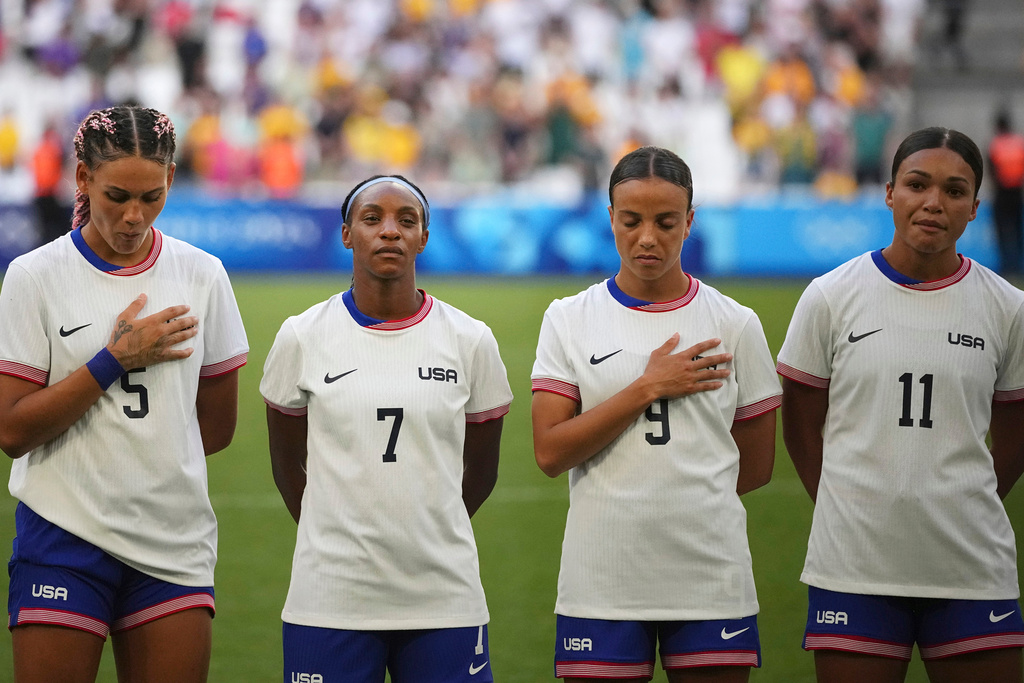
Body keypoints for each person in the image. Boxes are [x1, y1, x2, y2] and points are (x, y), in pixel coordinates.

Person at [0, 105, 249, 683]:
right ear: (82, 179)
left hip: (173, 539)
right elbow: (11, 432)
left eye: (152, 196)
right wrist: (115, 360)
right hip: (63, 535)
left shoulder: (203, 274)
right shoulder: (35, 276)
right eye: (116, 196)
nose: (135, 216)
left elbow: (216, 428)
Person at [777, 127, 1024, 683]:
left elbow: (1015, 430)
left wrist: (966, 499)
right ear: (889, 192)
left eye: (955, 191)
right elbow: (799, 423)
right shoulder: (830, 297)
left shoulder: (1008, 309)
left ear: (975, 208)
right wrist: (845, 507)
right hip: (855, 566)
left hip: (971, 565)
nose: (934, 202)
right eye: (917, 184)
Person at [531, 146, 781, 682]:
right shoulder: (568, 319)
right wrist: (646, 387)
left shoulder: (735, 324)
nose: (648, 237)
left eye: (666, 222)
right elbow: (550, 452)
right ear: (611, 220)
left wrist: (680, 501)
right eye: (632, 221)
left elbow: (757, 466)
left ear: (690, 222)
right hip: (601, 578)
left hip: (710, 576)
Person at [260, 174, 513, 683]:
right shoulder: (302, 336)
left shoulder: (470, 340)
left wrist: (428, 530)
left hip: (444, 597)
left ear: (424, 236)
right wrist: (330, 534)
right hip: (329, 599)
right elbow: (287, 462)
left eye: (406, 220)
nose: (390, 231)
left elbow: (482, 467)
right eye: (372, 219)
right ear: (348, 233)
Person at [988, 110, 1024, 277]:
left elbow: (991, 171)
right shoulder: (1019, 143)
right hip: (1017, 193)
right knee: (1018, 231)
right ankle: (1019, 265)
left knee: (1002, 232)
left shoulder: (995, 145)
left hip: (1001, 194)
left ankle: (1006, 267)